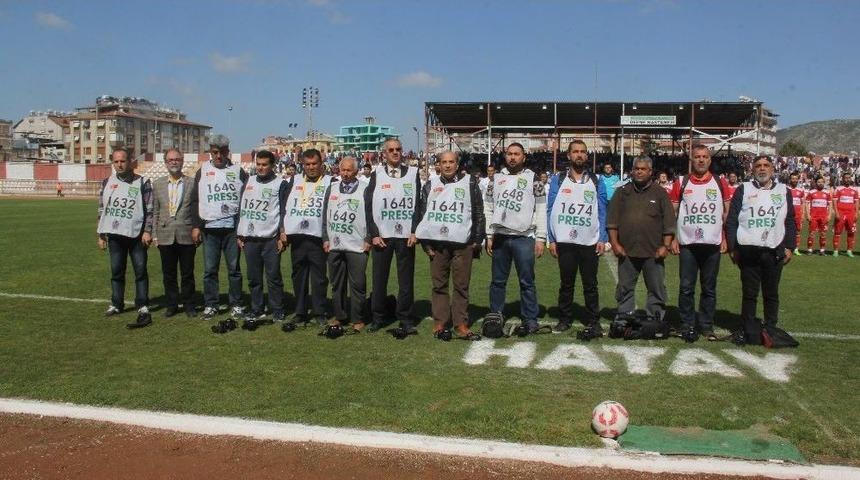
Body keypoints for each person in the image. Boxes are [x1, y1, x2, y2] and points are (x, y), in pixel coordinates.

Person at [414, 151, 485, 341]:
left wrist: (477, 240)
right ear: (438, 165)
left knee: (461, 286)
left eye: (451, 162)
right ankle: (440, 323)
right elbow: (422, 215)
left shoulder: (469, 183)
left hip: (463, 244)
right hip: (437, 245)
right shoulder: (430, 185)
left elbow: (478, 211)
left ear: (457, 163)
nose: (447, 165)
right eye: (443, 162)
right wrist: (425, 244)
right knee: (439, 285)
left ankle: (460, 324)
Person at [725, 155, 796, 344]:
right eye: (758, 166)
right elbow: (731, 220)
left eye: (766, 165)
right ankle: (748, 329)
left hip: (774, 251)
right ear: (752, 169)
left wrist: (790, 247)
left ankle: (770, 328)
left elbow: (790, 221)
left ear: (773, 169)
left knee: (771, 293)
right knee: (749, 293)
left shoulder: (783, 191)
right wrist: (733, 247)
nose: (762, 169)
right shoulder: (743, 189)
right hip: (748, 251)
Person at [669, 145, 732, 342]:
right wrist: (673, 237)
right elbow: (674, 213)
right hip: (688, 242)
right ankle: (686, 324)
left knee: (709, 288)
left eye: (705, 157)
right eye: (697, 157)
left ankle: (706, 326)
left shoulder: (720, 182)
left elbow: (726, 214)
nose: (701, 160)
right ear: (691, 160)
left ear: (710, 160)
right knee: (686, 287)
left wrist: (724, 237)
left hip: (712, 243)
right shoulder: (681, 182)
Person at [547, 140, 608, 338]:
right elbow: (551, 210)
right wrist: (552, 238)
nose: (579, 155)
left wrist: (602, 237)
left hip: (589, 241)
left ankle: (594, 321)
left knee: (590, 285)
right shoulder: (557, 179)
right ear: (568, 155)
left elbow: (602, 210)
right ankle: (564, 319)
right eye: (575, 152)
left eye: (582, 152)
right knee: (566, 283)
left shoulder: (597, 180)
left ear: (587, 156)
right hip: (565, 240)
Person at [485, 142, 547, 335]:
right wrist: (488, 235)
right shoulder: (496, 179)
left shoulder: (534, 179)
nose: (512, 157)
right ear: (505, 157)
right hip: (501, 237)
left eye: (517, 154)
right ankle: (496, 315)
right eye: (509, 154)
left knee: (527, 281)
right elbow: (488, 207)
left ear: (524, 157)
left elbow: (541, 209)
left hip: (524, 238)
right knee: (498, 281)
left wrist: (541, 238)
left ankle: (530, 319)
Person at [606, 156, 675, 323]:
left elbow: (669, 222)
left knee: (656, 289)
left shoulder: (660, 193)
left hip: (654, 251)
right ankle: (624, 317)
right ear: (632, 170)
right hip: (627, 251)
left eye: (643, 169)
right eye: (636, 168)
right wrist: (615, 244)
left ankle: (655, 319)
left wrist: (665, 246)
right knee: (624, 288)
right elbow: (612, 221)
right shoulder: (622, 191)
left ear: (650, 172)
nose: (639, 171)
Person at [365, 138, 420, 333]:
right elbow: (368, 205)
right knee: (379, 279)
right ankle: (378, 317)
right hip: (383, 237)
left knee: (406, 280)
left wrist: (415, 231)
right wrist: (373, 234)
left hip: (406, 236)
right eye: (391, 150)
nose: (395, 152)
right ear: (384, 154)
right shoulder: (376, 174)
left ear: (402, 151)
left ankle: (405, 318)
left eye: (398, 149)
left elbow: (418, 206)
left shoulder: (413, 174)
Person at [191, 135, 248, 320]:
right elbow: (196, 199)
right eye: (215, 152)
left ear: (227, 152)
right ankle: (211, 304)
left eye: (222, 152)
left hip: (232, 230)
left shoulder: (238, 171)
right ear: (210, 152)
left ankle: (237, 304)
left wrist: (242, 228)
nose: (219, 156)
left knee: (234, 270)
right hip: (210, 229)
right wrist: (196, 226)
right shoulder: (202, 171)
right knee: (210, 270)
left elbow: (246, 200)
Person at [96, 147, 154, 329]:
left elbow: (150, 210)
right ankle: (116, 304)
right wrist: (101, 234)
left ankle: (142, 304)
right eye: (116, 161)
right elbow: (102, 209)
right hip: (114, 235)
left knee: (140, 271)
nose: (119, 164)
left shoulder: (143, 182)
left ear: (130, 162)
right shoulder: (107, 182)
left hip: (136, 235)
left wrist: (147, 231)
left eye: (123, 161)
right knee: (116, 271)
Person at [237, 150, 288, 327]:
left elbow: (284, 211)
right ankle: (257, 308)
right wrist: (240, 233)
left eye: (265, 164)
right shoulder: (248, 181)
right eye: (258, 164)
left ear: (272, 165)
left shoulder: (280, 184)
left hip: (270, 239)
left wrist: (282, 234)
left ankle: (277, 309)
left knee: (273, 277)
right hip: (250, 238)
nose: (261, 167)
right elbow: (242, 208)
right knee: (253, 277)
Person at [282, 148, 331, 326]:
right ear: (303, 165)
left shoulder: (329, 182)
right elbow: (284, 207)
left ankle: (319, 312)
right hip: (298, 238)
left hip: (317, 238)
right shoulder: (294, 181)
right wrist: (282, 230)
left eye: (314, 164)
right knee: (298, 276)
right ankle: (300, 312)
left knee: (319, 278)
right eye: (307, 164)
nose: (311, 167)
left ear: (321, 164)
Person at [322, 156, 370, 330]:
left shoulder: (365, 189)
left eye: (349, 170)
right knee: (337, 284)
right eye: (343, 170)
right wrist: (325, 238)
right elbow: (325, 215)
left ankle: (357, 319)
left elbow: (371, 216)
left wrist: (369, 238)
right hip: (335, 243)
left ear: (356, 171)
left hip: (357, 244)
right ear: (339, 170)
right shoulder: (332, 188)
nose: (345, 173)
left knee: (357, 284)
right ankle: (340, 316)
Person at [151, 148, 198, 318]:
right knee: (168, 273)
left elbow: (196, 209)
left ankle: (189, 305)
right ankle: (171, 305)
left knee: (187, 273)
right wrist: (155, 235)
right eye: (170, 159)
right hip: (165, 235)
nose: (174, 162)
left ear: (182, 161)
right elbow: (155, 211)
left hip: (186, 234)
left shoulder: (192, 183)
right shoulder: (157, 184)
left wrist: (196, 229)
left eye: (177, 159)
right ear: (165, 162)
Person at [832, 172, 859, 257]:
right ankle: (835, 251)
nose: (847, 179)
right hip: (841, 213)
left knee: (851, 232)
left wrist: (856, 213)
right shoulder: (838, 189)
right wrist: (836, 212)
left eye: (849, 178)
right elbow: (835, 201)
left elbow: (857, 202)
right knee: (837, 232)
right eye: (845, 178)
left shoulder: (854, 190)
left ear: (851, 179)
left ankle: (849, 250)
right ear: (843, 179)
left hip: (851, 213)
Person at [805, 175, 832, 255]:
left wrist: (829, 215)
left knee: (823, 234)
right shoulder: (811, 192)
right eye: (818, 182)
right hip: (813, 216)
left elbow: (830, 205)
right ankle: (810, 250)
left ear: (824, 183)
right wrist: (808, 214)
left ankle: (822, 250)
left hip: (823, 217)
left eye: (822, 182)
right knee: (811, 233)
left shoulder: (827, 193)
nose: (820, 183)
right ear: (816, 183)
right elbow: (807, 204)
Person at [787, 172, 806, 255]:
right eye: (793, 178)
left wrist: (803, 213)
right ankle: (786, 247)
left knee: (798, 231)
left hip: (798, 214)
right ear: (790, 179)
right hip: (787, 214)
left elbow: (803, 203)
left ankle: (796, 249)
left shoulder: (801, 190)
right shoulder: (786, 189)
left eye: (796, 179)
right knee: (786, 230)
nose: (794, 180)